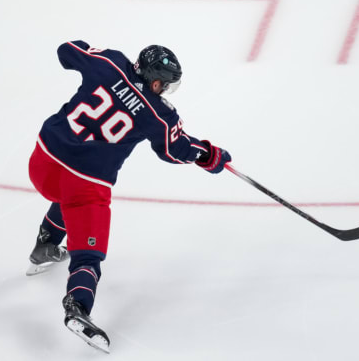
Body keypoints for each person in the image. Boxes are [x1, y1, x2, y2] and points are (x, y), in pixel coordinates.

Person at [26, 40, 231, 353]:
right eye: (166, 86)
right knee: (88, 254)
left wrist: (88, 52)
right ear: (157, 81)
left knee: (65, 194)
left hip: (43, 159)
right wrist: (209, 154)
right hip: (86, 183)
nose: (165, 92)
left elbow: (66, 51)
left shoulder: (110, 63)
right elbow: (174, 150)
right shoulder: (160, 114)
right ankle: (77, 306)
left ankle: (46, 243)